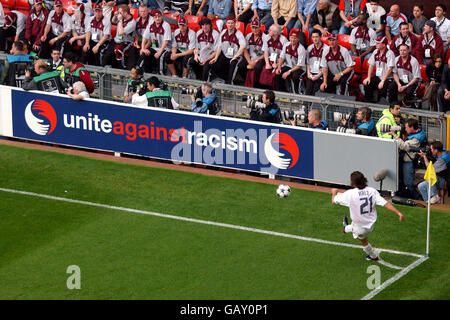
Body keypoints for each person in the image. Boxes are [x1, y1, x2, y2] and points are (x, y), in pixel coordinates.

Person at [332, 171, 404, 261]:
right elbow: (385, 204)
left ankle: (374, 256)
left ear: (353, 183)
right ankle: (346, 228)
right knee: (354, 227)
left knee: (364, 242)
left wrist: (334, 192)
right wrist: (398, 213)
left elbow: (334, 201)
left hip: (359, 227)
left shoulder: (350, 194)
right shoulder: (372, 191)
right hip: (370, 224)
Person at [390, 118, 426, 200]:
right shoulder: (418, 131)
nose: (405, 129)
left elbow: (404, 146)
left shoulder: (416, 139)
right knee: (403, 183)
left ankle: (417, 199)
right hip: (405, 161)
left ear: (412, 128)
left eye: (406, 127)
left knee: (408, 184)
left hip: (408, 162)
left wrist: (394, 135)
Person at [207, 16, 246, 84]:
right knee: (212, 64)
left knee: (233, 64)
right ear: (226, 24)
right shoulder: (223, 32)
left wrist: (235, 56)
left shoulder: (239, 34)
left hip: (235, 56)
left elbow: (243, 46)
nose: (230, 25)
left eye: (232, 23)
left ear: (235, 24)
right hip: (225, 55)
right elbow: (219, 46)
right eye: (228, 23)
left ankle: (229, 84)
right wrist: (215, 57)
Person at [102, 4, 136, 69]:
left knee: (119, 51)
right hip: (116, 40)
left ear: (125, 13)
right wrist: (115, 15)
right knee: (107, 55)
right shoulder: (121, 17)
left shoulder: (132, 23)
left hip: (126, 42)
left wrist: (120, 20)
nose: (119, 14)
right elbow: (113, 21)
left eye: (120, 12)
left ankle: (122, 68)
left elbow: (120, 33)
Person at [363, 35, 395, 103]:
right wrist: (368, 77)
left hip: (387, 78)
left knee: (383, 88)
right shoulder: (375, 52)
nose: (376, 44)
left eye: (378, 43)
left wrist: (383, 80)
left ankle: (381, 104)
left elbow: (390, 68)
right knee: (367, 84)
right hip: (378, 76)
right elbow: (371, 65)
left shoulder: (390, 53)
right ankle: (368, 102)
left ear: (383, 45)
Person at [237, 18, 268, 87]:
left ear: (260, 27)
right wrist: (249, 61)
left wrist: (256, 61)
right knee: (241, 65)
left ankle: (257, 83)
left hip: (260, 58)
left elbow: (265, 53)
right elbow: (245, 50)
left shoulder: (265, 37)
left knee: (258, 67)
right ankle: (247, 80)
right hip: (250, 57)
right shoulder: (248, 36)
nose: (254, 30)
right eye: (253, 28)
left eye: (256, 28)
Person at [138, 9, 171, 74]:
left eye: (159, 16)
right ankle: (141, 71)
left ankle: (161, 74)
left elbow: (166, 42)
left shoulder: (166, 25)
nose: (158, 18)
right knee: (145, 53)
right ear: (153, 18)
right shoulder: (151, 24)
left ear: (162, 16)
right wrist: (143, 48)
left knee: (161, 57)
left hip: (165, 48)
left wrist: (159, 52)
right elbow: (144, 37)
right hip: (154, 47)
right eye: (156, 17)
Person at [390, 44, 421, 108]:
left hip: (413, 81)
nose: (402, 52)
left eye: (404, 50)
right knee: (391, 87)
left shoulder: (413, 61)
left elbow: (416, 78)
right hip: (401, 80)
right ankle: (394, 105)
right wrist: (398, 84)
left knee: (409, 92)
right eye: (401, 50)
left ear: (408, 51)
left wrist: (406, 86)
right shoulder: (396, 59)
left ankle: (406, 104)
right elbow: (394, 73)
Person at [275, 29, 306, 93]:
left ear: (298, 39)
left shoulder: (301, 49)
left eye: (295, 38)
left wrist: (289, 71)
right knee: (278, 73)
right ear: (289, 38)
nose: (293, 39)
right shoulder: (286, 45)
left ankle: (298, 94)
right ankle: (281, 92)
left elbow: (299, 65)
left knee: (295, 76)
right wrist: (279, 67)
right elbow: (281, 57)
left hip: (300, 68)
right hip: (289, 66)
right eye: (291, 37)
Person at [127, 4, 151, 69]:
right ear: (139, 12)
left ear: (148, 11)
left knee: (143, 52)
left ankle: (139, 70)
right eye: (141, 11)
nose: (143, 13)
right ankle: (131, 69)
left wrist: (143, 48)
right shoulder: (137, 20)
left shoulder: (151, 21)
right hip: (140, 42)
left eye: (144, 11)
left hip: (149, 43)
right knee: (132, 49)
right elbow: (137, 34)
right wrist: (136, 41)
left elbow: (151, 39)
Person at [305, 28, 328, 96]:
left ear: (321, 37)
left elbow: (326, 67)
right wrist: (308, 73)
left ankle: (312, 106)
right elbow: (308, 63)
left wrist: (318, 76)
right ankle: (305, 105)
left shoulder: (326, 49)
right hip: (312, 73)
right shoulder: (309, 48)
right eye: (313, 37)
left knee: (315, 91)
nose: (315, 39)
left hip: (321, 73)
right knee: (308, 89)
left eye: (317, 37)